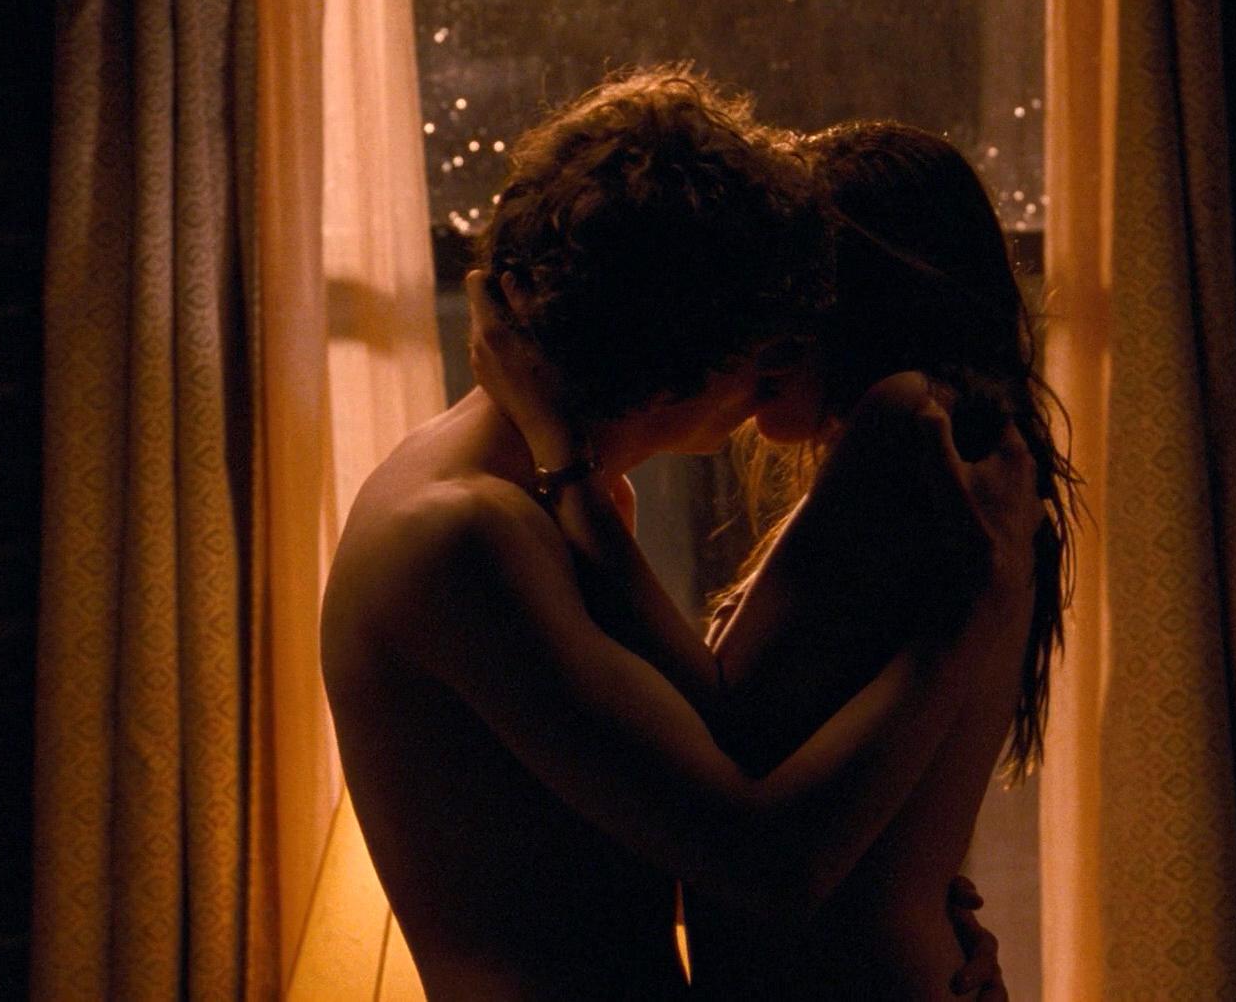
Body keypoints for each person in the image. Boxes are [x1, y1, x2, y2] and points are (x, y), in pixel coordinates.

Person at [322, 69, 1036, 1000]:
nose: (773, 380)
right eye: (767, 346)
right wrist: (963, 625)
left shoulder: (545, 505)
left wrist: (912, 894)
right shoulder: (465, 535)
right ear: (693, 355)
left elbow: (686, 778)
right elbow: (763, 862)